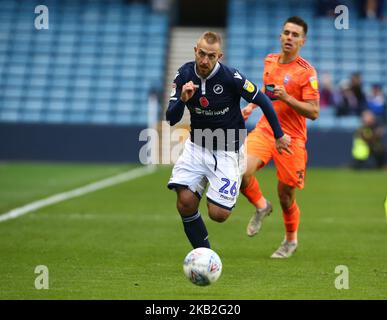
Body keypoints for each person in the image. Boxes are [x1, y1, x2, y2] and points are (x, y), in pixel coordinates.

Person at [166, 31, 291, 249]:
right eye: (202, 54)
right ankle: (203, 255)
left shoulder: (231, 78)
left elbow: (263, 100)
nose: (205, 60)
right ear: (195, 51)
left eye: (211, 56)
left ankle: (215, 188)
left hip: (228, 151)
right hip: (197, 148)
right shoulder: (183, 74)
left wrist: (279, 135)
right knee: (185, 202)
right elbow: (171, 118)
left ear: (219, 56)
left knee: (219, 214)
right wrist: (183, 100)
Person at [240, 16, 320, 258]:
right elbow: (268, 91)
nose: (289, 37)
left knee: (286, 196)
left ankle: (290, 240)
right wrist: (251, 107)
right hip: (266, 130)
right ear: (280, 36)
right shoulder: (270, 60)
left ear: (302, 41)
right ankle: (261, 206)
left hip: (292, 139)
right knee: (239, 172)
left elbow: (314, 111)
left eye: (295, 35)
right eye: (286, 32)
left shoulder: (307, 73)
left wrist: (288, 98)